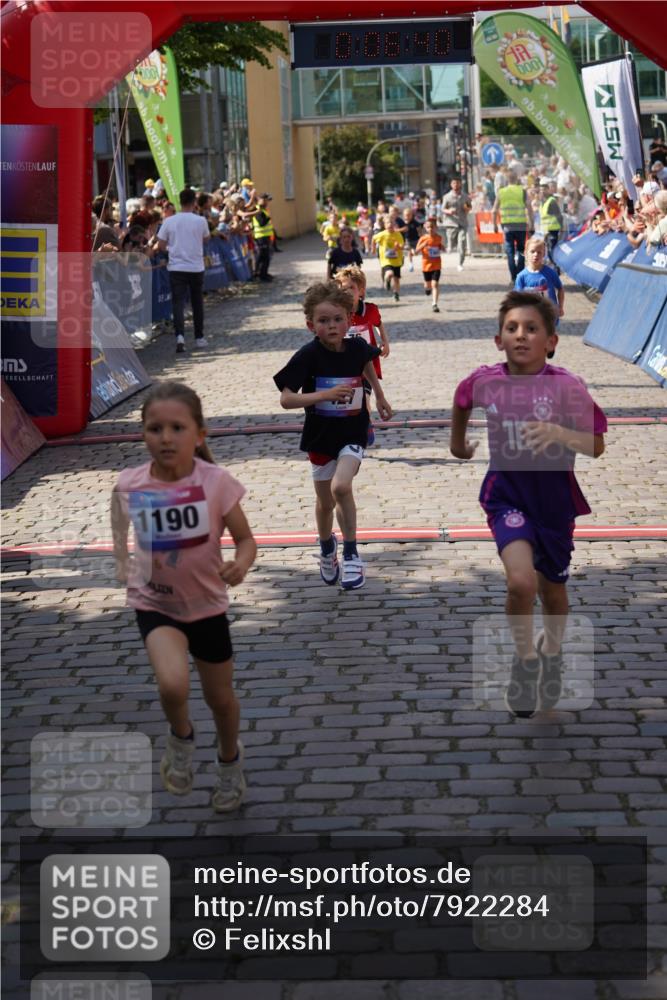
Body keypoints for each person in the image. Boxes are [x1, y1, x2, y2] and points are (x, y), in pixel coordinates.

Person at [450, 291, 607, 717]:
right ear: (498, 339)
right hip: (507, 496)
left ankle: (550, 653)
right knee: (520, 583)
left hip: (555, 504)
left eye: (532, 328)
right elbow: (463, 399)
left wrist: (559, 435)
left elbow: (596, 445)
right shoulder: (487, 381)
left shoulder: (568, 387)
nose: (521, 335)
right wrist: (458, 444)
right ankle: (525, 662)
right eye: (512, 328)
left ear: (551, 340)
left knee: (553, 595)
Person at [111, 381, 257, 811]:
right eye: (155, 428)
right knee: (172, 684)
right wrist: (132, 571)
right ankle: (180, 738)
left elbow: (246, 540)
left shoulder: (216, 482)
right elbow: (122, 542)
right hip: (156, 605)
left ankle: (230, 762)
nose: (166, 438)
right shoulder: (129, 483)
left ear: (199, 435)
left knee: (220, 699)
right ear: (143, 433)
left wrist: (241, 564)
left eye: (177, 428)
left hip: (207, 607)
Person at [273, 283, 393, 591]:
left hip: (353, 430)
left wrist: (378, 396)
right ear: (311, 325)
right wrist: (323, 394)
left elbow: (367, 362)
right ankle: (328, 549)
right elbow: (286, 399)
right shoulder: (308, 355)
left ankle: (352, 553)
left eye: (338, 319)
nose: (332, 326)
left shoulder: (355, 347)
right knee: (324, 502)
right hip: (320, 436)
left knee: (342, 486)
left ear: (349, 320)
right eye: (324, 321)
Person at [334, 264, 390, 444]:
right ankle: (354, 429)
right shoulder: (337, 314)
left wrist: (384, 342)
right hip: (344, 367)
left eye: (352, 288)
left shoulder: (370, 310)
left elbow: (379, 324)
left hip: (367, 367)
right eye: (343, 288)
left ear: (361, 291)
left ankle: (365, 425)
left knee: (364, 400)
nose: (348, 292)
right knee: (349, 404)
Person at [156, 187, 210, 353]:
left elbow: (161, 245)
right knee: (197, 303)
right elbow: (206, 239)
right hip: (195, 267)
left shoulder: (169, 221)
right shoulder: (200, 221)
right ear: (194, 202)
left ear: (179, 202)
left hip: (176, 267)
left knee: (178, 303)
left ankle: (180, 337)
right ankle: (199, 337)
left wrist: (172, 250)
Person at [515, 236, 564, 323]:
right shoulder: (521, 276)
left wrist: (560, 307)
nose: (536, 254)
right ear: (526, 253)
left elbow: (560, 288)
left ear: (544, 254)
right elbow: (518, 298)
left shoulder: (550, 273)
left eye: (539, 252)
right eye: (532, 251)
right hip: (530, 317)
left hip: (549, 316)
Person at [492, 170, 530, 284]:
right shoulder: (522, 191)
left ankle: (513, 278)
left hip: (507, 226)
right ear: (517, 179)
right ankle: (520, 277)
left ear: (507, 180)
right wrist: (531, 222)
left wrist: (494, 225)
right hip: (521, 225)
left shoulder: (501, 192)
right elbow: (529, 207)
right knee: (521, 251)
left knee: (510, 253)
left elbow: (494, 210)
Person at [415, 217, 445, 312]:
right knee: (428, 285)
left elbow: (442, 247)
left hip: (436, 265)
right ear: (425, 228)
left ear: (436, 227)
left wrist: (442, 247)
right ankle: (427, 289)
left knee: (435, 284)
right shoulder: (423, 238)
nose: (431, 229)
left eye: (432, 227)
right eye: (428, 227)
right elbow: (416, 251)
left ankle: (434, 304)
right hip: (426, 265)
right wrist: (422, 246)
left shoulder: (439, 238)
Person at [372, 214, 404, 301]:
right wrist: (373, 249)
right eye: (387, 223)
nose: (390, 224)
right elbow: (374, 239)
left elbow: (402, 246)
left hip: (397, 260)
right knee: (390, 273)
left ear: (395, 224)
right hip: (386, 260)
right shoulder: (382, 234)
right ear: (384, 225)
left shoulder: (398, 234)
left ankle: (396, 293)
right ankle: (387, 280)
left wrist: (398, 247)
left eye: (392, 223)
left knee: (396, 279)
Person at [441, 178, 471, 272]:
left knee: (462, 243)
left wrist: (467, 208)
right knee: (451, 243)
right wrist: (449, 211)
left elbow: (469, 206)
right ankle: (449, 246)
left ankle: (460, 263)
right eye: (454, 183)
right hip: (451, 223)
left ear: (460, 184)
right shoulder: (447, 196)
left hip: (462, 223)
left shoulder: (465, 196)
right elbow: (443, 209)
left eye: (457, 183)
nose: (456, 185)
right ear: (451, 184)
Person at [538, 178, 563, 268]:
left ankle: (557, 267)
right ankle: (556, 267)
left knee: (552, 250)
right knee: (549, 251)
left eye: (544, 189)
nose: (542, 192)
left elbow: (559, 216)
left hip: (553, 230)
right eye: (541, 190)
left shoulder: (551, 201)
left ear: (548, 190)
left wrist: (560, 229)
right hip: (546, 231)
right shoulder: (543, 202)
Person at [250, 193, 275, 282]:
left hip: (265, 236)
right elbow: (261, 223)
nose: (268, 202)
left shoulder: (263, 210)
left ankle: (264, 274)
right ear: (261, 200)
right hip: (261, 237)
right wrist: (269, 217)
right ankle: (260, 275)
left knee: (266, 257)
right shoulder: (257, 210)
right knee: (262, 257)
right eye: (266, 200)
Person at [320, 209, 341, 279]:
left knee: (339, 262)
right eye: (332, 218)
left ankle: (338, 274)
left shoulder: (339, 228)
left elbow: (342, 236)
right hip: (332, 247)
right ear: (329, 219)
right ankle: (329, 276)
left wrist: (339, 238)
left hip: (340, 247)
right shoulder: (328, 228)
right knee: (330, 261)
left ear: (337, 219)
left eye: (335, 218)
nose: (333, 219)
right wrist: (329, 238)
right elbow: (324, 238)